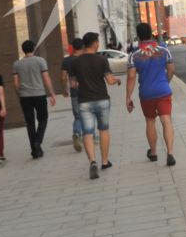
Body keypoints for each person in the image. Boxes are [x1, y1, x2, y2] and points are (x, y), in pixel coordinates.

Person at [66, 32, 119, 179]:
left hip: (84, 102)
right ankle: (104, 161)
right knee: (103, 130)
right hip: (102, 100)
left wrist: (83, 83)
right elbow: (109, 80)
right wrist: (117, 80)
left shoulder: (75, 62)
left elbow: (73, 84)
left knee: (88, 133)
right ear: (95, 43)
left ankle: (93, 162)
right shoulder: (101, 60)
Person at [125, 22, 178, 166]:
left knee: (150, 121)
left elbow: (131, 77)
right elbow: (171, 69)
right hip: (163, 91)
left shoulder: (133, 55)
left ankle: (153, 152)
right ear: (150, 33)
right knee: (166, 120)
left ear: (138, 36)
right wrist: (165, 82)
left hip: (146, 93)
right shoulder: (163, 50)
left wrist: (128, 97)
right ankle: (170, 153)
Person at [11, 39, 51, 159]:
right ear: (33, 48)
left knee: (30, 123)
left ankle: (35, 151)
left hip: (25, 96)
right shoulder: (40, 61)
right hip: (39, 94)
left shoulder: (17, 64)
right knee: (43, 119)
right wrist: (52, 93)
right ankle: (38, 142)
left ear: (23, 50)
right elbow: (46, 78)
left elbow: (16, 83)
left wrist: (19, 93)